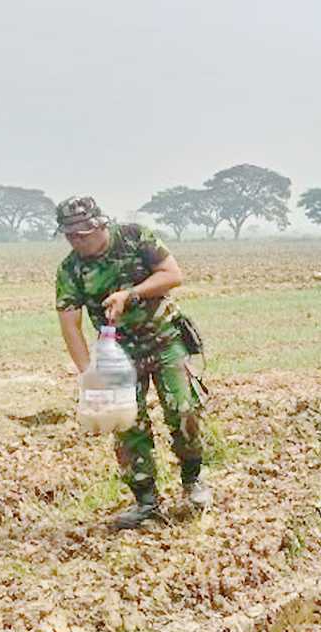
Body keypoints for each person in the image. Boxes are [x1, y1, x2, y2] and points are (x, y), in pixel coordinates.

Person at [54, 196, 212, 529]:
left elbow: (172, 274)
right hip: (119, 355)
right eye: (70, 235)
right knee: (128, 427)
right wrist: (90, 375)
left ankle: (192, 481)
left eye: (82, 233)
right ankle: (146, 503)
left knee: (183, 410)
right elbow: (70, 325)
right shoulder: (70, 270)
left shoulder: (135, 237)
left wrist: (131, 294)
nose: (76, 240)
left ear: (100, 224)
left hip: (165, 341)